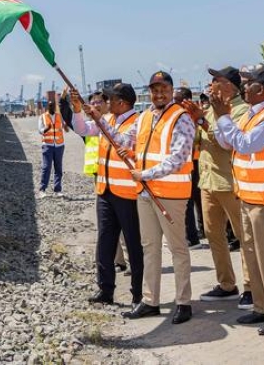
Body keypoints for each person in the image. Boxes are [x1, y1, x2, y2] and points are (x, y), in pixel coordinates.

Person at [213, 65, 264, 335]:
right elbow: (230, 144)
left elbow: (246, 144)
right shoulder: (253, 114)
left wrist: (224, 118)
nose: (244, 88)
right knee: (252, 254)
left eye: (249, 84)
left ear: (262, 89)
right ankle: (261, 307)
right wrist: (219, 119)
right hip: (248, 196)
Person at [115, 72, 194, 324]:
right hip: (146, 193)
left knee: (178, 249)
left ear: (171, 91)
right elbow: (125, 139)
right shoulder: (144, 116)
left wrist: (145, 174)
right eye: (154, 89)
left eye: (164, 89)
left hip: (170, 194)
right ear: (149, 92)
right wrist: (100, 122)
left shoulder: (182, 118)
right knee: (149, 248)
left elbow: (178, 158)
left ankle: (184, 302)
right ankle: (150, 301)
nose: (159, 94)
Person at [183, 67, 252, 310]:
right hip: (209, 180)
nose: (211, 84)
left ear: (231, 86)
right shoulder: (211, 110)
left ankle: (251, 286)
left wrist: (202, 122)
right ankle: (226, 284)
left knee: (244, 237)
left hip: (229, 181)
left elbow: (228, 143)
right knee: (213, 235)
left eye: (217, 81)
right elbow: (198, 140)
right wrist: (192, 123)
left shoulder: (241, 109)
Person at [70, 84, 144, 310]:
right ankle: (105, 289)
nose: (106, 103)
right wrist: (76, 110)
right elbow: (82, 129)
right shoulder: (109, 120)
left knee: (133, 244)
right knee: (105, 241)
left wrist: (99, 120)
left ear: (122, 102)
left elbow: (123, 142)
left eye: (109, 99)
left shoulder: (137, 123)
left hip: (127, 194)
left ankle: (139, 294)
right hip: (105, 191)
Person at [82, 91, 129, 273]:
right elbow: (77, 125)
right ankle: (119, 261)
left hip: (120, 180)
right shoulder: (92, 125)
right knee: (107, 226)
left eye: (99, 102)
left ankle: (131, 261)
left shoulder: (113, 122)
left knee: (124, 226)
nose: (95, 105)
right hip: (100, 178)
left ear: (107, 103)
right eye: (93, 102)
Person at [175, 86, 205, 250]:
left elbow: (193, 139)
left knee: (190, 200)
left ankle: (192, 237)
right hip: (186, 162)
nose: (175, 103)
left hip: (192, 162)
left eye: (178, 100)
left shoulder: (191, 116)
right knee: (192, 200)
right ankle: (198, 232)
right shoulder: (181, 116)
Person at [37, 91, 67, 198]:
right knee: (46, 167)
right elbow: (40, 130)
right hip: (48, 146)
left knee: (58, 168)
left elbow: (65, 128)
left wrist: (66, 124)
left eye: (53, 105)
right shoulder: (42, 117)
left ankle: (57, 190)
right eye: (49, 105)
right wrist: (46, 128)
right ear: (47, 106)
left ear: (55, 106)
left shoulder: (59, 116)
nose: (51, 106)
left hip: (59, 145)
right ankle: (42, 189)